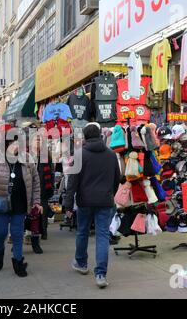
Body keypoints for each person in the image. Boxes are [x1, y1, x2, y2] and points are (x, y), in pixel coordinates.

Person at [63, 123, 120, 289]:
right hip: (105, 201)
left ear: (86, 138)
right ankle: (101, 274)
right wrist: (110, 193)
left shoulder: (80, 155)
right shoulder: (111, 155)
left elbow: (72, 182)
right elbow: (117, 178)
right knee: (102, 236)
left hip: (85, 201)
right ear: (100, 136)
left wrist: (67, 204)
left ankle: (81, 263)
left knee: (82, 231)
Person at [0, 137, 42, 277]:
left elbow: (36, 181)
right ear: (7, 144)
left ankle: (18, 262)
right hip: (1, 203)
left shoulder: (27, 159)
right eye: (14, 142)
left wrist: (36, 201)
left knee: (17, 234)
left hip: (20, 203)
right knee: (0, 232)